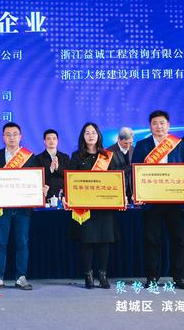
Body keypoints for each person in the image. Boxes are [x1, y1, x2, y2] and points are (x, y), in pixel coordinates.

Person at [131, 110, 184, 290]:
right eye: (155, 123)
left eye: (162, 123)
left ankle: (179, 277)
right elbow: (135, 171)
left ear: (168, 125)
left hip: (175, 201)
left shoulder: (179, 144)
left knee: (178, 240)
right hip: (151, 202)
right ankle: (152, 277)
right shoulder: (142, 145)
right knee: (152, 241)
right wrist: (136, 193)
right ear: (150, 126)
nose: (159, 126)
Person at [0, 122, 48, 291]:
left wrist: (41, 188)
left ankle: (21, 277)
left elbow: (35, 180)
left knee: (22, 243)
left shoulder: (29, 157)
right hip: (2, 207)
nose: (11, 137)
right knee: (0, 243)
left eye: (15, 134)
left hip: (23, 208)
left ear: (20, 137)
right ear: (3, 137)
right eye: (8, 134)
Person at [66, 122, 125, 289]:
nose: (90, 135)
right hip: (85, 207)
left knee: (104, 241)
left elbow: (115, 180)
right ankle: (88, 275)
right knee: (87, 241)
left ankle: (103, 275)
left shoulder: (107, 156)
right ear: (83, 136)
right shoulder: (76, 156)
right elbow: (70, 180)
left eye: (93, 132)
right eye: (87, 133)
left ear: (98, 135)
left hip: (104, 206)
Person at [35, 129, 70, 202]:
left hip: (62, 196)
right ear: (44, 141)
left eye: (54, 138)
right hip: (45, 196)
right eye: (48, 139)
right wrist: (50, 169)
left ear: (57, 141)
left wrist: (57, 168)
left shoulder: (65, 157)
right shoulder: (38, 158)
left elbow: (69, 176)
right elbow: (37, 178)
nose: (51, 141)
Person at [107, 127, 134, 201]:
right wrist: (130, 167)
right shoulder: (109, 152)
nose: (128, 146)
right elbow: (111, 172)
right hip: (117, 190)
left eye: (131, 142)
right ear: (119, 139)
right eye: (126, 143)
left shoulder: (133, 149)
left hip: (131, 191)